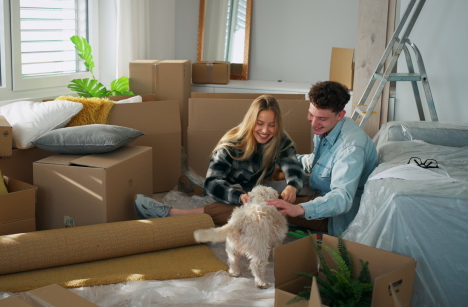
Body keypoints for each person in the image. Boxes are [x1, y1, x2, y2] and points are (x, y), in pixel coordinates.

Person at [134, 95, 305, 226]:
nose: (265, 130)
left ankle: (196, 188)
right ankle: (171, 212)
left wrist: (292, 186)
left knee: (302, 186)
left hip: (259, 188)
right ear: (251, 121)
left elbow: (293, 165)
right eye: (259, 123)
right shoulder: (231, 144)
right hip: (232, 191)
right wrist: (240, 198)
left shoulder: (280, 138)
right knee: (240, 214)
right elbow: (214, 184)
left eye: (271, 125)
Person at [265, 81, 378, 236]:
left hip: (335, 212)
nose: (314, 123)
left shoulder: (351, 148)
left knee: (264, 207)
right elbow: (317, 161)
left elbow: (342, 198)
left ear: (340, 115)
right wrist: (281, 159)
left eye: (322, 118)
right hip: (318, 186)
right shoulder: (328, 128)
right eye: (311, 114)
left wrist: (299, 209)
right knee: (265, 184)